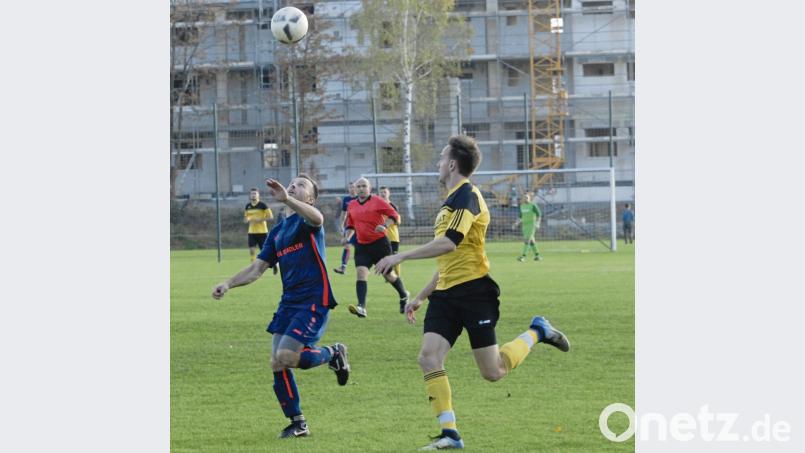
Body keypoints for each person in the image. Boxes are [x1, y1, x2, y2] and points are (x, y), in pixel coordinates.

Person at [375, 135, 570, 451]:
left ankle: (538, 331)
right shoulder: (450, 201)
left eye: (441, 158)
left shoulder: (469, 197)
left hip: (475, 293)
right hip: (446, 294)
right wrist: (423, 295)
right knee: (428, 357)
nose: (438, 164)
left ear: (452, 164)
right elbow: (449, 258)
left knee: (493, 372)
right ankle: (450, 433)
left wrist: (400, 255)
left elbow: (450, 242)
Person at [212, 174, 350, 439]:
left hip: (313, 299)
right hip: (289, 302)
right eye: (292, 183)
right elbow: (256, 269)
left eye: (301, 185)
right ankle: (298, 423)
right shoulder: (277, 232)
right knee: (277, 362)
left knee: (287, 356)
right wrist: (228, 283)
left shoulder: (309, 221)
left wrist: (287, 199)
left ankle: (334, 353)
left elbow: (318, 219)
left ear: (309, 198)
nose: (293, 185)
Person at [344, 177, 410, 317]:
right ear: (355, 189)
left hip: (380, 244)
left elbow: (395, 216)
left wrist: (385, 225)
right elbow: (350, 225)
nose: (361, 188)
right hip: (362, 245)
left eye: (364, 186)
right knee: (361, 273)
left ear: (369, 188)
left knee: (389, 275)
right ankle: (361, 307)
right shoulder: (352, 205)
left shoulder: (377, 201)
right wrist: (347, 237)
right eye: (359, 186)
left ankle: (403, 295)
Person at [333, 182, 358, 274]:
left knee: (361, 247)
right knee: (347, 245)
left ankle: (364, 266)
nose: (352, 189)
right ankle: (343, 267)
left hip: (360, 227)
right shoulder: (346, 199)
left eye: (353, 187)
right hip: (349, 226)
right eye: (350, 187)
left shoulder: (360, 198)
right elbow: (344, 213)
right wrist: (341, 225)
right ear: (348, 189)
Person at [378, 185, 402, 277]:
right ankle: (389, 275)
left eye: (385, 192)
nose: (383, 194)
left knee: (395, 257)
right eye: (381, 192)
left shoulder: (392, 206)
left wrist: (388, 221)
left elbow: (398, 221)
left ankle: (397, 276)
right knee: (384, 257)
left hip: (392, 236)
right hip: (381, 237)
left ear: (389, 193)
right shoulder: (377, 206)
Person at [245, 188, 274, 262]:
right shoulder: (247, 206)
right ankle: (253, 264)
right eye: (252, 194)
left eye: (255, 193)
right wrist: (247, 219)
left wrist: (261, 220)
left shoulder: (263, 205)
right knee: (251, 249)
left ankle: (274, 264)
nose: (253, 195)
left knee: (265, 251)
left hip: (262, 232)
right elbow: (246, 218)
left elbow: (271, 217)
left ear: (258, 195)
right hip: (251, 232)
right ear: (250, 195)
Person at [513, 191, 542, 261]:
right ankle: (537, 256)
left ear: (529, 198)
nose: (526, 199)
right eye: (524, 198)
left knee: (527, 240)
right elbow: (520, 217)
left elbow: (539, 215)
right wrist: (516, 223)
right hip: (524, 225)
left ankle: (523, 256)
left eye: (527, 197)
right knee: (531, 241)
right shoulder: (522, 206)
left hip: (531, 225)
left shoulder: (533, 205)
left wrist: (538, 223)